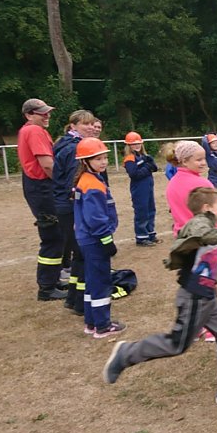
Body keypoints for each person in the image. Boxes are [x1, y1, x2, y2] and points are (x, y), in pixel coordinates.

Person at [103, 187, 217, 405]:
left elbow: (197, 261)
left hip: (206, 295)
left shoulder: (209, 226)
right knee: (177, 344)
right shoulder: (200, 224)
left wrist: (214, 283)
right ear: (207, 208)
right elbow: (203, 235)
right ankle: (126, 353)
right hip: (195, 298)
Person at [73, 137, 126, 338]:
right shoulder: (92, 184)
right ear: (85, 162)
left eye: (104, 157)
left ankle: (92, 322)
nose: (103, 162)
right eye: (97, 159)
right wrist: (107, 241)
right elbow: (95, 218)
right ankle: (103, 326)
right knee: (101, 282)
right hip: (94, 240)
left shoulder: (88, 180)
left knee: (92, 281)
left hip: (87, 239)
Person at [17, 98, 67, 301]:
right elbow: (47, 165)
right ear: (29, 115)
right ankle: (46, 287)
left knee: (56, 235)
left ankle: (53, 280)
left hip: (38, 187)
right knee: (53, 237)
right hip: (41, 188)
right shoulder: (34, 131)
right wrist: (64, 185)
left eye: (47, 112)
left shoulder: (31, 130)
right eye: (42, 113)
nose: (47, 116)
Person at [52, 109, 96, 314]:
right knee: (82, 253)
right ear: (73, 126)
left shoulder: (68, 144)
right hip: (70, 207)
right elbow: (73, 182)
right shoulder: (73, 149)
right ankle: (80, 301)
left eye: (91, 124)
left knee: (78, 253)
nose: (90, 127)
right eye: (84, 124)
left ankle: (74, 298)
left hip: (66, 206)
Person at [166, 141, 217, 234]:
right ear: (184, 161)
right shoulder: (203, 184)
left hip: (184, 238)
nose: (204, 163)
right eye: (199, 160)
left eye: (204, 159)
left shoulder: (172, 183)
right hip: (206, 237)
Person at [123, 131, 159, 247]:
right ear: (129, 146)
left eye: (138, 143)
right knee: (141, 211)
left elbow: (155, 168)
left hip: (148, 186)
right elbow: (134, 174)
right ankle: (141, 237)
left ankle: (150, 233)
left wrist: (149, 163)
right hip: (139, 188)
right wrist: (147, 167)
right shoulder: (130, 158)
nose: (137, 146)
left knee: (150, 209)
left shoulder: (143, 156)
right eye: (133, 144)